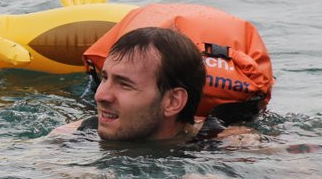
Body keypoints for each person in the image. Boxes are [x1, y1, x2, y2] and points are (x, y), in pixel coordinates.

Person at [52, 27, 253, 143]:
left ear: (172, 101)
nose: (101, 95)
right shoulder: (74, 135)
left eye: (125, 84)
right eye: (105, 78)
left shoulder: (227, 142)